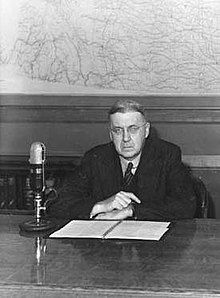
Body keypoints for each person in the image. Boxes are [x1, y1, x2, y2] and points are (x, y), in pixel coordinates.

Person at [47, 99, 196, 220]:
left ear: (146, 130)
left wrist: (131, 211)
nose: (126, 138)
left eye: (133, 129)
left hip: (152, 251)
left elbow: (185, 206)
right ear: (111, 135)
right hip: (104, 250)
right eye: (118, 130)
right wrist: (100, 206)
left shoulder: (167, 155)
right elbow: (58, 204)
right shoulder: (96, 158)